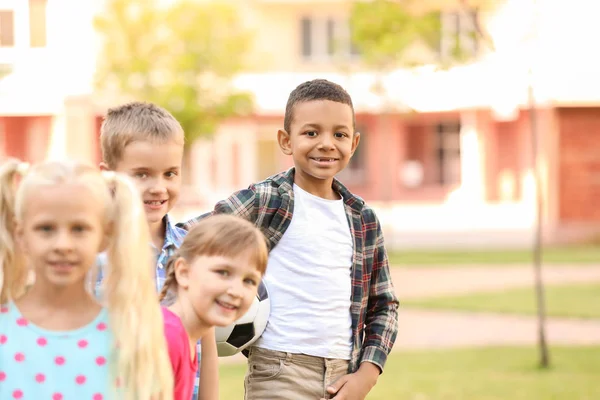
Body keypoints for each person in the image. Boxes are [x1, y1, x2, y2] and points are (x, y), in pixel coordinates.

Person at [180, 79, 399, 400]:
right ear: (286, 140)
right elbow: (190, 236)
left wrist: (367, 374)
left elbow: (384, 305)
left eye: (339, 134)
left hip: (343, 376)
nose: (326, 143)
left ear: (353, 143)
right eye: (311, 133)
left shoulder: (363, 219)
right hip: (277, 370)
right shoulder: (266, 199)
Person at [0, 159, 172, 400]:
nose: (63, 245)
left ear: (104, 235)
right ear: (21, 235)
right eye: (46, 228)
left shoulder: (131, 337)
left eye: (79, 229)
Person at [96, 101, 218, 400]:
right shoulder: (93, 252)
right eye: (141, 175)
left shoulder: (194, 249)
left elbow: (206, 340)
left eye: (170, 174)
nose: (158, 187)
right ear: (108, 176)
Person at [159, 214, 268, 400]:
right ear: (184, 272)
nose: (236, 291)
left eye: (249, 280)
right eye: (223, 272)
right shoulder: (167, 337)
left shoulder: (184, 337)